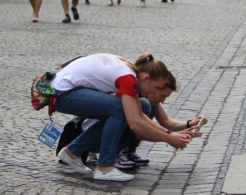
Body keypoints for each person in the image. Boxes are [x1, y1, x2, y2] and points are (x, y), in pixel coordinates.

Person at [53, 53, 192, 181]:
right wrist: (168, 138)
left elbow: (140, 115)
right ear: (146, 78)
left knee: (125, 109)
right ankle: (105, 167)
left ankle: (72, 152)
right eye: (156, 87)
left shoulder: (132, 74)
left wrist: (170, 134)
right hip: (60, 93)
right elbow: (135, 123)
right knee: (120, 109)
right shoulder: (127, 78)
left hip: (64, 90)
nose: (155, 91)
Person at [114, 72, 207, 169]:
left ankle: (128, 151)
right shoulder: (136, 95)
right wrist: (171, 137)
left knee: (150, 105)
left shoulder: (149, 100)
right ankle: (116, 153)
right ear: (155, 88)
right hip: (102, 137)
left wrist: (190, 123)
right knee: (145, 104)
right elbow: (139, 131)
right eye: (163, 96)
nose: (163, 101)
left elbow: (166, 121)